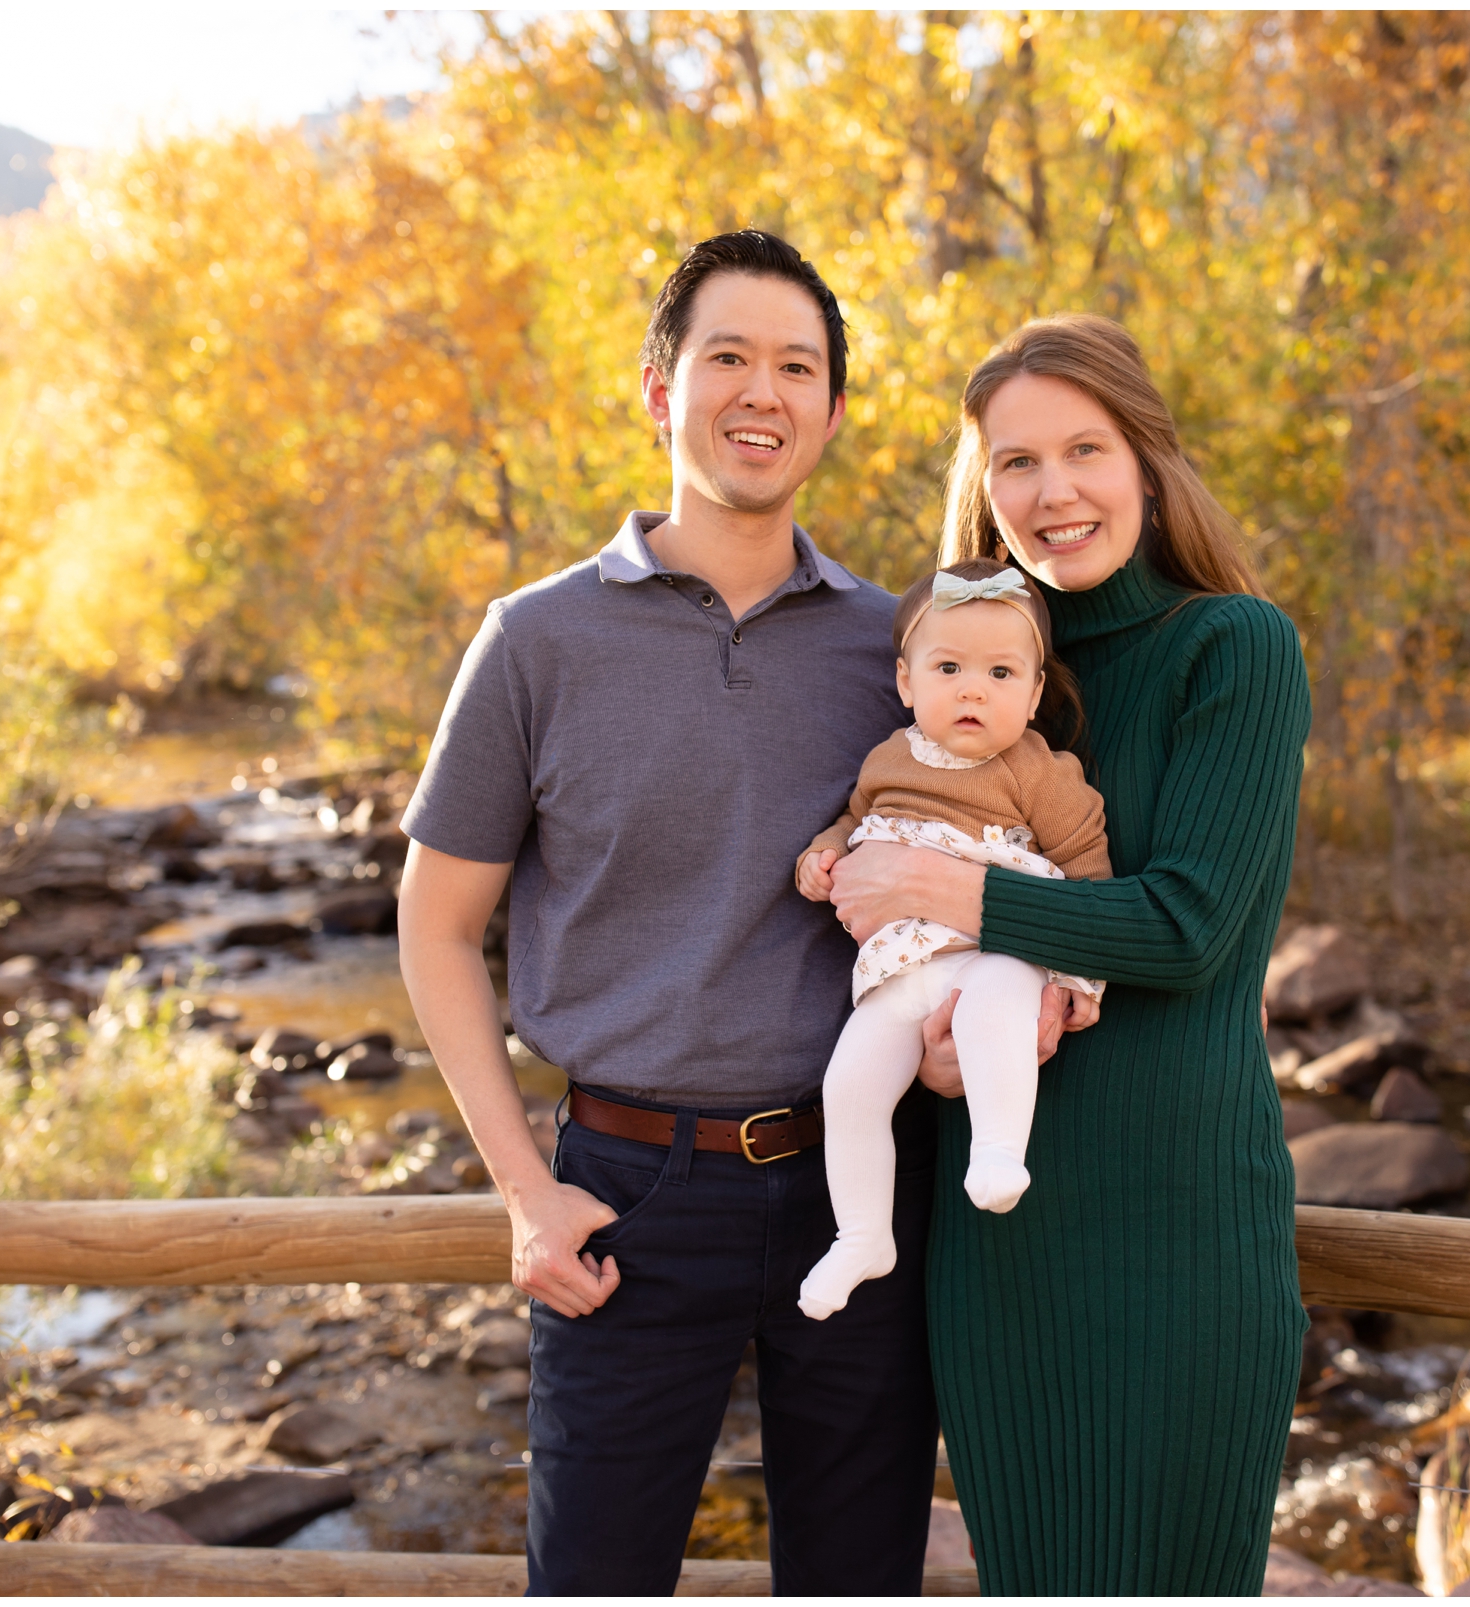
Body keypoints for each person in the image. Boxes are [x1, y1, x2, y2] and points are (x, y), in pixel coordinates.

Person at [394, 230, 1063, 1597]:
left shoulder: (901, 650)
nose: (764, 391)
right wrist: (528, 1192)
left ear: (830, 409)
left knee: (860, 1576)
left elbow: (993, 851)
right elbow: (433, 923)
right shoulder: (533, 641)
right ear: (661, 389)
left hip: (859, 1171)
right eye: (730, 359)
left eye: (798, 367)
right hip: (631, 1195)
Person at [828, 313, 1314, 1595]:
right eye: (1016, 464)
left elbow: (1188, 927)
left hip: (1184, 1225)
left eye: (1084, 449)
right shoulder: (971, 674)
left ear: (1147, 463)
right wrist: (930, 1032)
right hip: (1004, 1239)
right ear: (983, 498)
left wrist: (941, 886)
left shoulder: (1237, 648)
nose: (1053, 492)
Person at [792, 557, 1111, 1320]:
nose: (974, 689)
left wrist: (1079, 978)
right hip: (897, 969)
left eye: (1002, 673)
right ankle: (864, 1233)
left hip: (991, 948)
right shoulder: (886, 758)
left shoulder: (1037, 769)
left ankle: (999, 1149)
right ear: (907, 682)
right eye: (950, 667)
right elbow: (856, 819)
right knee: (850, 1087)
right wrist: (824, 851)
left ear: (1035, 694)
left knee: (994, 1010)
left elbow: (1088, 867)